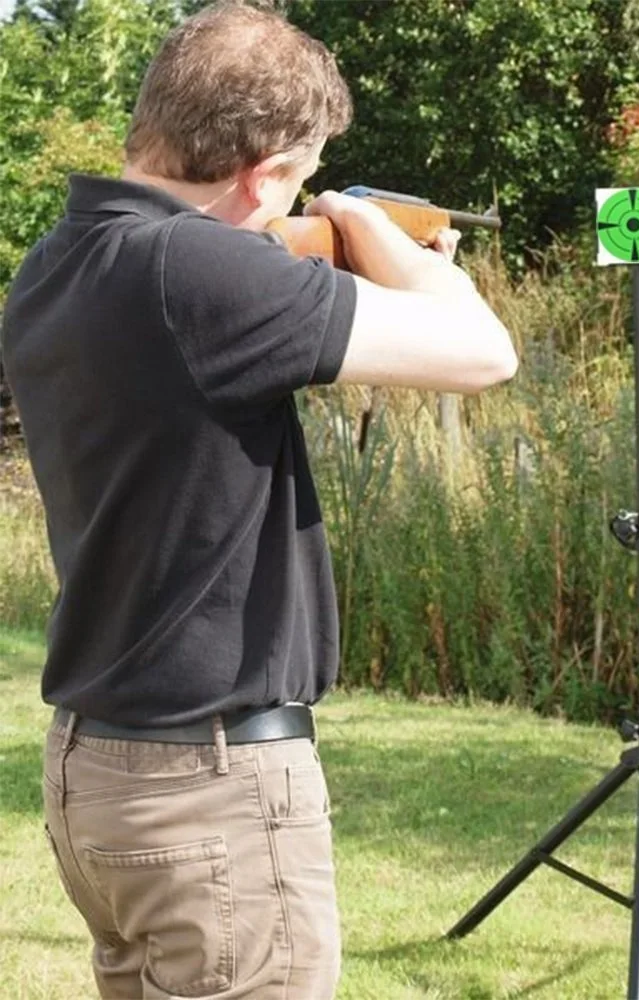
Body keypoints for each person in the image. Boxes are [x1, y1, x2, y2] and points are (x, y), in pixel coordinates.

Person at [0, 2, 517, 997]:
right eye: (302, 171)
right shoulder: (197, 273)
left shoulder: (59, 260)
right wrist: (374, 229)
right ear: (262, 171)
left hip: (101, 770)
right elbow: (484, 353)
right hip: (210, 784)